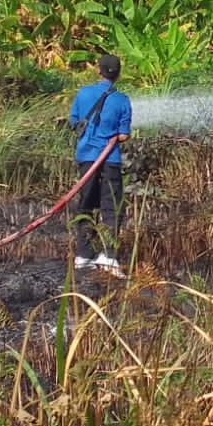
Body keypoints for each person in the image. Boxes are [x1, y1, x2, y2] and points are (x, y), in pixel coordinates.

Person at [67, 54, 131, 273]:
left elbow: (74, 122)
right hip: (110, 160)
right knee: (112, 207)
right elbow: (123, 135)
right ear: (119, 74)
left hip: (86, 158)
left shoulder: (83, 93)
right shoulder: (122, 100)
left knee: (86, 205)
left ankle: (83, 255)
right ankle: (108, 256)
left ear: (98, 70)